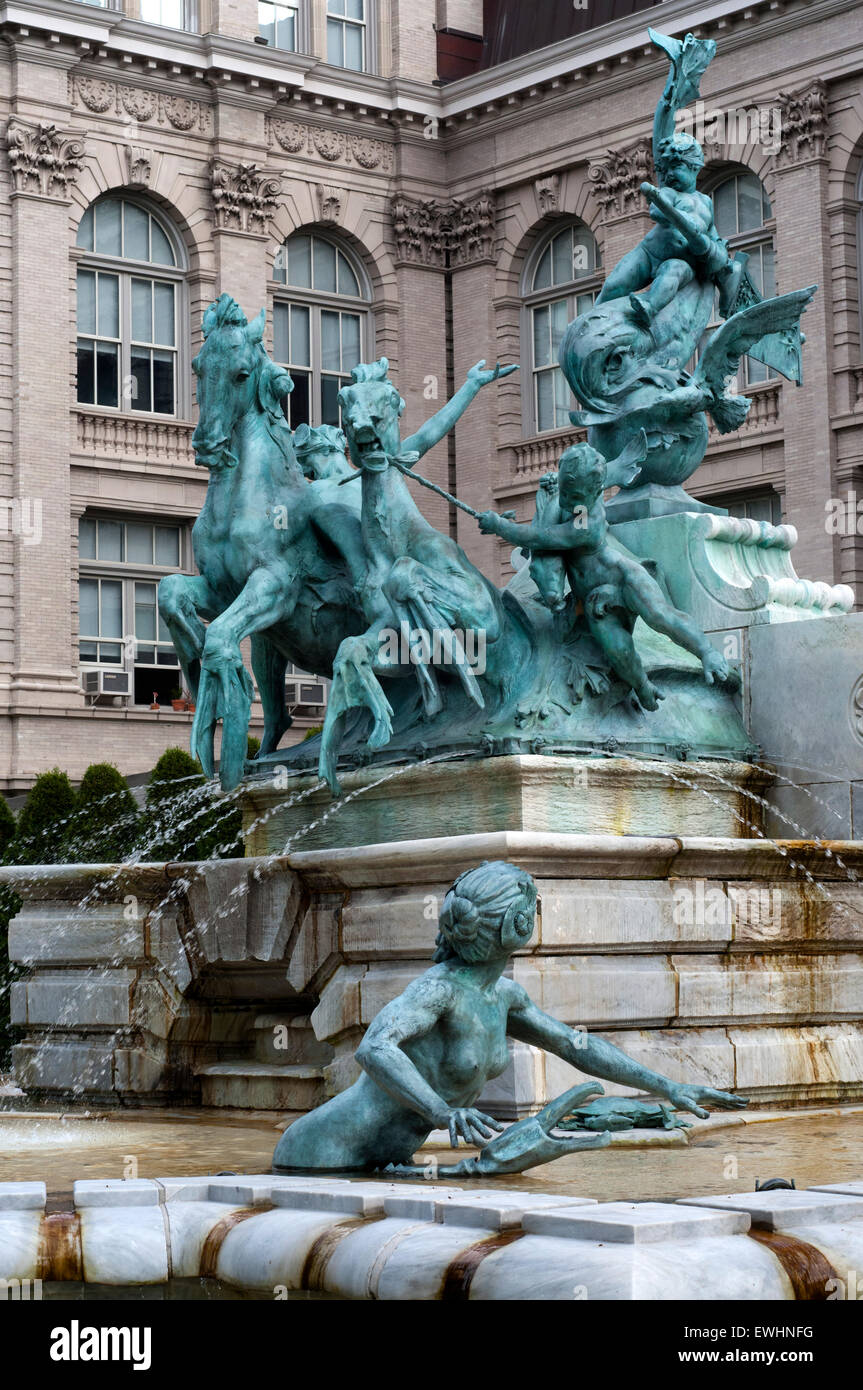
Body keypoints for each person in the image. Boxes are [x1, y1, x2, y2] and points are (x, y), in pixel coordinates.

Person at [272, 860, 746, 1175]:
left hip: (379, 1164)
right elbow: (373, 1048)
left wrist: (666, 1086)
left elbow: (575, 1046)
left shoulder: (504, 996)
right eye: (531, 907)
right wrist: (443, 1112)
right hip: (322, 1153)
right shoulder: (440, 990)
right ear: (515, 926)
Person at [478, 440, 732, 710]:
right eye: (565, 491)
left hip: (622, 578)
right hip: (594, 601)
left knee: (661, 616)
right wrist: (555, 486)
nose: (566, 500)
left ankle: (708, 652)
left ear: (592, 493)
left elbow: (543, 537)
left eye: (573, 496)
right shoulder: (584, 489)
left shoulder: (587, 524)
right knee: (618, 650)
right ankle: (643, 687)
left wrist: (500, 526)